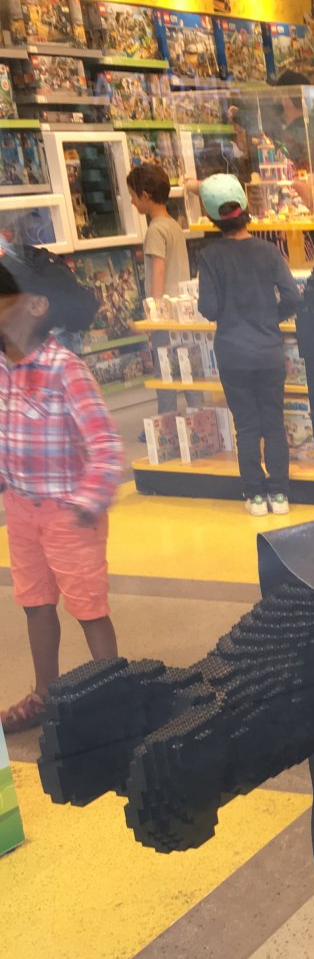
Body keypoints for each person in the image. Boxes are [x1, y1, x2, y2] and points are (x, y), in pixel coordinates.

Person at [0, 243, 123, 734]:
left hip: (69, 512)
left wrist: (86, 503)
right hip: (21, 510)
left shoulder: (64, 369)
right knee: (34, 602)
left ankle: (116, 699)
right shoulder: (3, 368)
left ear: (36, 305)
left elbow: (105, 444)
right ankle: (44, 694)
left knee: (88, 607)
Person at [196, 174, 301, 517]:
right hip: (268, 351)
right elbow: (292, 296)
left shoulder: (210, 256)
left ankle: (255, 496)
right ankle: (280, 495)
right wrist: (272, 318)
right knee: (273, 423)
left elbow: (209, 308)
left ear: (212, 217)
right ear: (245, 208)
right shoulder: (269, 251)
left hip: (232, 352)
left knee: (246, 427)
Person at [127, 162, 191, 414]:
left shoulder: (155, 230)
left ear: (145, 195)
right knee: (189, 371)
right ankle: (199, 415)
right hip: (182, 312)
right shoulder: (173, 225)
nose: (132, 202)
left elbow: (158, 271)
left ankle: (166, 422)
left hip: (165, 315)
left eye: (133, 196)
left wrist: (153, 316)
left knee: (165, 374)